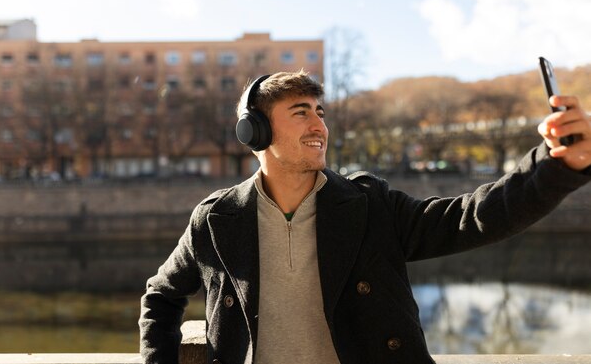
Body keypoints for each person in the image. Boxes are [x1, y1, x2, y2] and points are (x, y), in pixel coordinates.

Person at [139, 70, 591, 364]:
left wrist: (555, 165)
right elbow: (160, 297)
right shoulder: (216, 219)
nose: (319, 125)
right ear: (254, 131)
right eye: (301, 113)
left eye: (320, 112)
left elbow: (473, 216)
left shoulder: (369, 204)